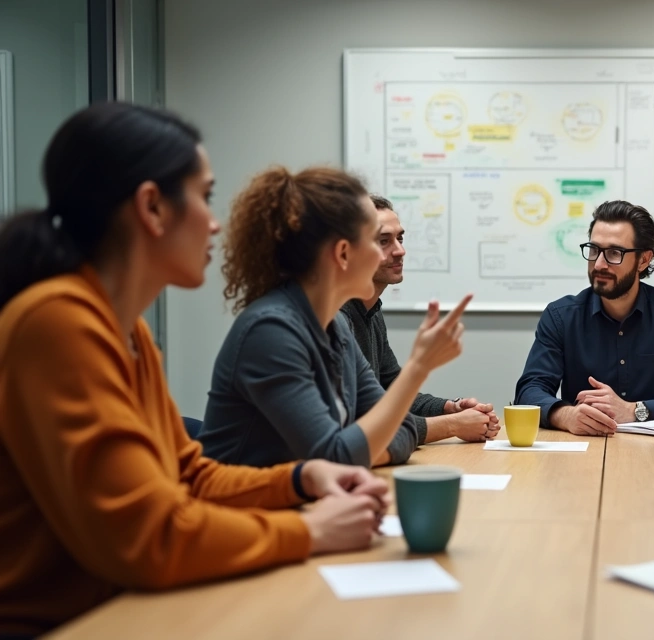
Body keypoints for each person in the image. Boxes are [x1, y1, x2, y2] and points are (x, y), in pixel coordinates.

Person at [0, 102, 400, 636]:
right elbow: (148, 536)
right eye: (205, 196)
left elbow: (188, 475)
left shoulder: (130, 330)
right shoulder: (58, 321)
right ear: (152, 207)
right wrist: (307, 532)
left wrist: (303, 478)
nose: (216, 223)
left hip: (127, 605)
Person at [198, 167, 472, 468]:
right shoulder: (271, 330)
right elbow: (337, 455)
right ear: (343, 254)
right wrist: (419, 367)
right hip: (246, 509)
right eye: (376, 241)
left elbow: (400, 428)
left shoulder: (335, 325)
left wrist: (361, 446)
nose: (395, 253)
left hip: (311, 504)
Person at [514, 200, 654, 436]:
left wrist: (637, 410)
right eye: (594, 250)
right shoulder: (561, 317)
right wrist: (566, 416)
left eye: (614, 253)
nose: (599, 264)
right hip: (585, 451)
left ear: (644, 260)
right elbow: (529, 391)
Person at [335, 195, 499, 443]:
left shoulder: (371, 312)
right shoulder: (335, 320)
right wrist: (452, 425)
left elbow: (393, 392)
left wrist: (448, 407)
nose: (400, 251)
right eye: (383, 241)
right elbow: (365, 429)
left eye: (400, 238)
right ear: (346, 251)